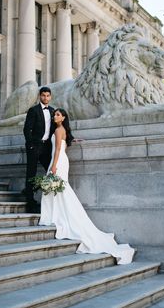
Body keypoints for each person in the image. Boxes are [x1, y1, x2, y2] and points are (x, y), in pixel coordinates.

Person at [39, 108, 135, 264]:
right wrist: (72, 141)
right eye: (54, 114)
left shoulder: (58, 131)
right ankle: (56, 216)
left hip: (58, 161)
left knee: (57, 189)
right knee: (58, 189)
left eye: (57, 114)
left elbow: (57, 149)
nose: (54, 116)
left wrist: (54, 166)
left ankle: (56, 217)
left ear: (63, 117)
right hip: (62, 160)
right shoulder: (61, 130)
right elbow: (63, 145)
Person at [23, 87, 55, 213]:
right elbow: (27, 129)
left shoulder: (53, 111)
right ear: (39, 96)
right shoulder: (33, 110)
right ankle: (30, 201)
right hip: (34, 146)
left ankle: (49, 201)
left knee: (50, 171)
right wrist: (30, 145)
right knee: (31, 172)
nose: (45, 98)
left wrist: (71, 138)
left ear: (50, 97)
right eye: (43, 95)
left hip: (47, 147)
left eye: (48, 96)